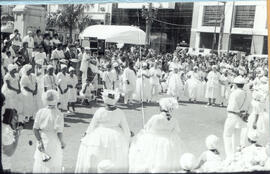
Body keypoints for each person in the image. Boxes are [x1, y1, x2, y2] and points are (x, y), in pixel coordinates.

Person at [75, 90, 131, 173]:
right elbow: (125, 128)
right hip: (116, 135)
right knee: (116, 155)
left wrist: (86, 134)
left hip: (99, 135)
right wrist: (128, 138)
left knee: (97, 154)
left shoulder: (100, 111)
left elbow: (92, 125)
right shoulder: (120, 112)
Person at [129, 97, 184, 172]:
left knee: (153, 158)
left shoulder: (156, 118)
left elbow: (147, 127)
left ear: (161, 107)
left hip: (154, 140)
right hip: (168, 142)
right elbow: (176, 131)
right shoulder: (174, 120)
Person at [32, 89, 65, 173]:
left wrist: (39, 141)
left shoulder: (40, 112)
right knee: (53, 163)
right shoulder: (58, 114)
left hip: (42, 139)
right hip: (53, 140)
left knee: (41, 162)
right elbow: (59, 132)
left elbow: (35, 129)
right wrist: (62, 142)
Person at [223, 76, 251, 159]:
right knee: (237, 135)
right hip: (243, 116)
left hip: (233, 115)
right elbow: (250, 106)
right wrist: (246, 115)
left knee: (227, 135)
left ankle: (230, 155)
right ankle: (237, 154)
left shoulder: (234, 93)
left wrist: (240, 114)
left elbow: (233, 107)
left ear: (235, 84)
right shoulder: (247, 93)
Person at [2, 108, 23, 172]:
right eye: (13, 118)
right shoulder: (7, 130)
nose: (15, 120)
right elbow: (10, 153)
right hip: (4, 166)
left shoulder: (5, 127)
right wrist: (17, 137)